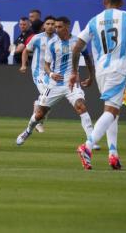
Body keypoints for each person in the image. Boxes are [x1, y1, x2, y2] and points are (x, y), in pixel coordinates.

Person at [70, 0, 126, 170]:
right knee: (111, 111)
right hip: (118, 69)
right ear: (122, 1)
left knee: (112, 112)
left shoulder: (95, 20)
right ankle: (87, 146)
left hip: (102, 70)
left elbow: (77, 47)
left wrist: (73, 72)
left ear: (105, 0)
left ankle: (113, 155)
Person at [16, 17, 96, 149]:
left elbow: (88, 57)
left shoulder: (78, 42)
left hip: (71, 82)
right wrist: (52, 74)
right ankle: (27, 131)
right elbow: (46, 65)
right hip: (55, 83)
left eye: (59, 27)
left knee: (81, 106)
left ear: (67, 27)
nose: (56, 29)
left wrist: (91, 76)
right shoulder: (52, 43)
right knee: (39, 114)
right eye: (55, 26)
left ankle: (92, 139)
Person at [19, 16, 57, 133]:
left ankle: (37, 109)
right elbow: (26, 50)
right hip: (38, 72)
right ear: (44, 26)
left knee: (47, 97)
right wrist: (24, 65)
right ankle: (39, 122)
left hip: (51, 73)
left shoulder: (58, 39)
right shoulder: (37, 38)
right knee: (46, 94)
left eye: (52, 24)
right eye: (48, 24)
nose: (50, 26)